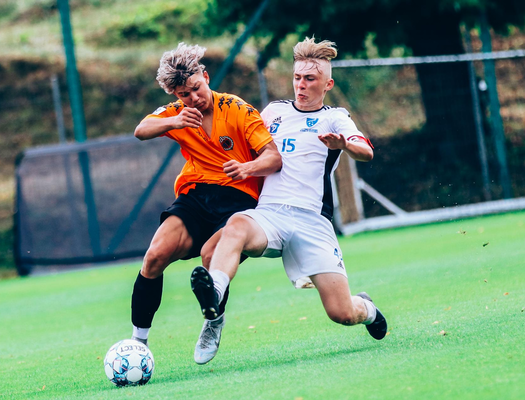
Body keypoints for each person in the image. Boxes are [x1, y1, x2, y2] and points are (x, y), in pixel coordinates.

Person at [190, 37, 387, 364]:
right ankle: (215, 297)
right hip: (270, 216)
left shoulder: (335, 118)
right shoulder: (274, 112)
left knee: (341, 313)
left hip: (312, 222)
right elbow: (243, 142)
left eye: (310, 79)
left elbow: (365, 151)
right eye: (297, 77)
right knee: (237, 225)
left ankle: (367, 308)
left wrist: (344, 145)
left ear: (327, 84)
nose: (301, 85)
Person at [129, 43, 282, 355]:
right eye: (184, 94)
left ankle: (213, 321)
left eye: (197, 88)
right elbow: (141, 130)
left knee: (211, 256)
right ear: (176, 95)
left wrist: (247, 168)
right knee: (154, 256)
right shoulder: (178, 113)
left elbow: (273, 158)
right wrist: (174, 122)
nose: (194, 98)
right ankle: (138, 344)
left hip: (238, 199)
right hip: (196, 197)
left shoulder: (237, 109)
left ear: (206, 77)